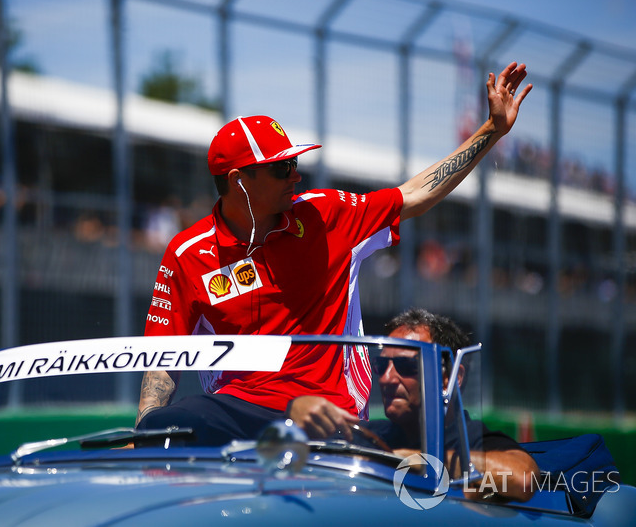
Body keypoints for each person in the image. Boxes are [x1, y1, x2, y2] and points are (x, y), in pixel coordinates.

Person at [136, 62, 532, 446]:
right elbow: (161, 361)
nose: (296, 174)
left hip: (331, 415)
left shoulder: (325, 213)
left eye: (294, 162)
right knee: (167, 425)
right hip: (239, 413)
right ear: (239, 182)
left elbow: (413, 194)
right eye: (282, 167)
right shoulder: (185, 254)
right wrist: (143, 437)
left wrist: (492, 131)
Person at [289, 308, 539, 502]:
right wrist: (296, 411)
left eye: (407, 366)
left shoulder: (477, 440)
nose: (386, 378)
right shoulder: (368, 436)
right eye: (381, 366)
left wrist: (424, 461)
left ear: (448, 379)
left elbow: (523, 479)